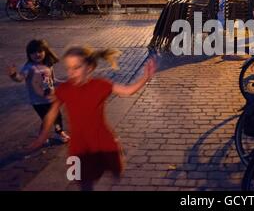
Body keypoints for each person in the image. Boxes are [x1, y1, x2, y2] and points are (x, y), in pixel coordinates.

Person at [29, 46, 157, 191]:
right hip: (79, 144)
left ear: (89, 68)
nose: (71, 73)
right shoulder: (64, 89)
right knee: (82, 180)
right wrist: (42, 136)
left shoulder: (100, 85)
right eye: (68, 68)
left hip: (101, 139)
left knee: (116, 171)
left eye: (76, 67)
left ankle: (116, 155)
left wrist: (145, 77)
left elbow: (127, 91)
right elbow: (52, 113)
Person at [8, 40, 70, 143]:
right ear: (29, 54)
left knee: (56, 117)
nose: (37, 54)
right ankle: (46, 135)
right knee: (47, 118)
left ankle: (58, 133)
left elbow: (53, 81)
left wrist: (65, 83)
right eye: (33, 52)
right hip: (38, 101)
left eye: (40, 51)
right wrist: (13, 75)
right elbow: (20, 78)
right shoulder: (29, 67)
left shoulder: (48, 65)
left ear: (45, 51)